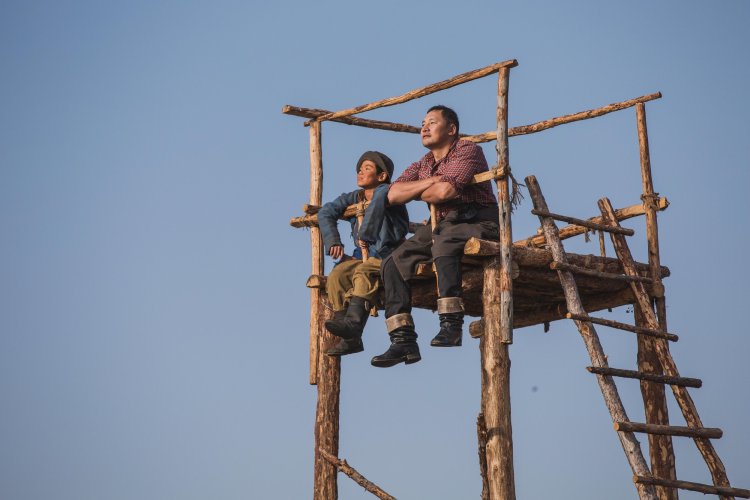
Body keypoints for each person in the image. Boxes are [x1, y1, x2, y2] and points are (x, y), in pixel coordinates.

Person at [371, 105, 499, 368]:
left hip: (477, 220)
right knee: (392, 262)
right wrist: (432, 181)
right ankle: (403, 340)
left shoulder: (468, 150)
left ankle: (451, 324)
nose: (425, 128)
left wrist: (419, 190)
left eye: (432, 122)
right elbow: (392, 194)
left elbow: (444, 193)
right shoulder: (424, 163)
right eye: (422, 123)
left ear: (451, 129)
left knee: (444, 242)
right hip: (440, 224)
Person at [317, 151, 409, 357]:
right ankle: (350, 338)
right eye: (360, 168)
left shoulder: (388, 191)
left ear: (381, 175)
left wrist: (366, 234)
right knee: (338, 275)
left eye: (367, 168)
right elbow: (326, 211)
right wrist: (333, 241)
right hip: (362, 255)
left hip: (389, 255)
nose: (360, 172)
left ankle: (354, 324)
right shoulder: (355, 197)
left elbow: (380, 203)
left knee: (363, 272)